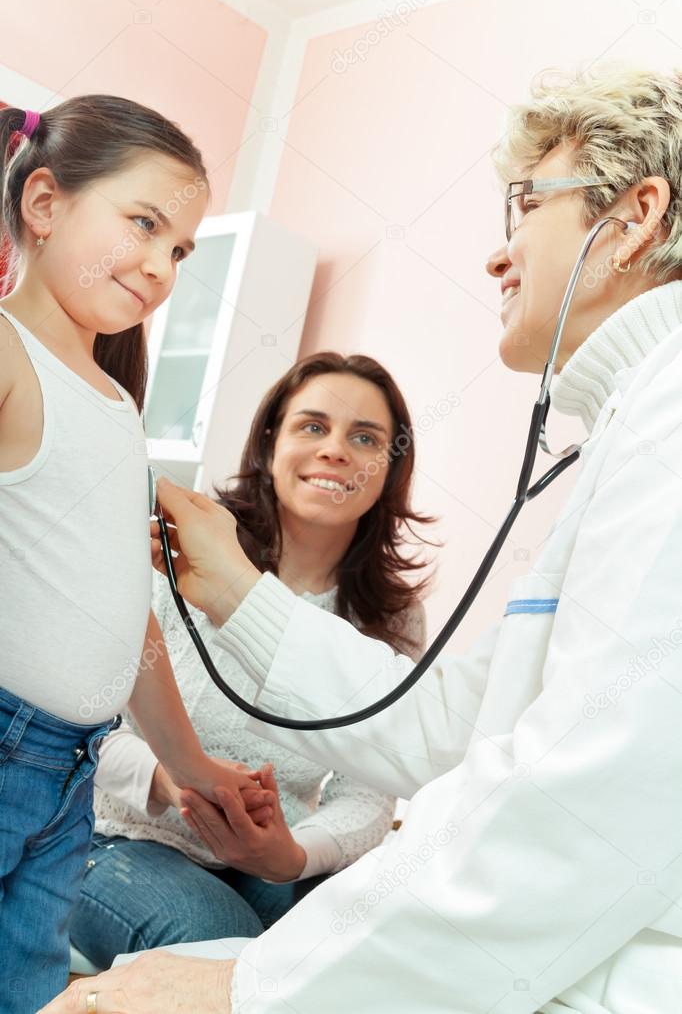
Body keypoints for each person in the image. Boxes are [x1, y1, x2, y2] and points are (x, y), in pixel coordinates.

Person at [42, 63, 682, 1014]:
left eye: (524, 206)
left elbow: (575, 801)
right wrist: (201, 732)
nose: (498, 256)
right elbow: (460, 732)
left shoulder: (664, 421)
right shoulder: (633, 430)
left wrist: (269, 935)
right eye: (311, 426)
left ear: (633, 218)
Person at [0, 97, 272, 1014]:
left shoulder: (119, 409)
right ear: (45, 204)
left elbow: (130, 619)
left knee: (31, 987)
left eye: (182, 248)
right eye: (144, 225)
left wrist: (193, 769)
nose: (161, 266)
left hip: (69, 776)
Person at [69, 352, 430, 968]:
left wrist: (291, 854)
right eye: (312, 426)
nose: (336, 450)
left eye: (365, 437)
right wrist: (171, 778)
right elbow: (78, 720)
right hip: (115, 836)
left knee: (353, 958)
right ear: (270, 443)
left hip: (267, 858)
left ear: (389, 467)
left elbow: (373, 791)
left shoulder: (390, 616)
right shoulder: (177, 547)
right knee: (219, 938)